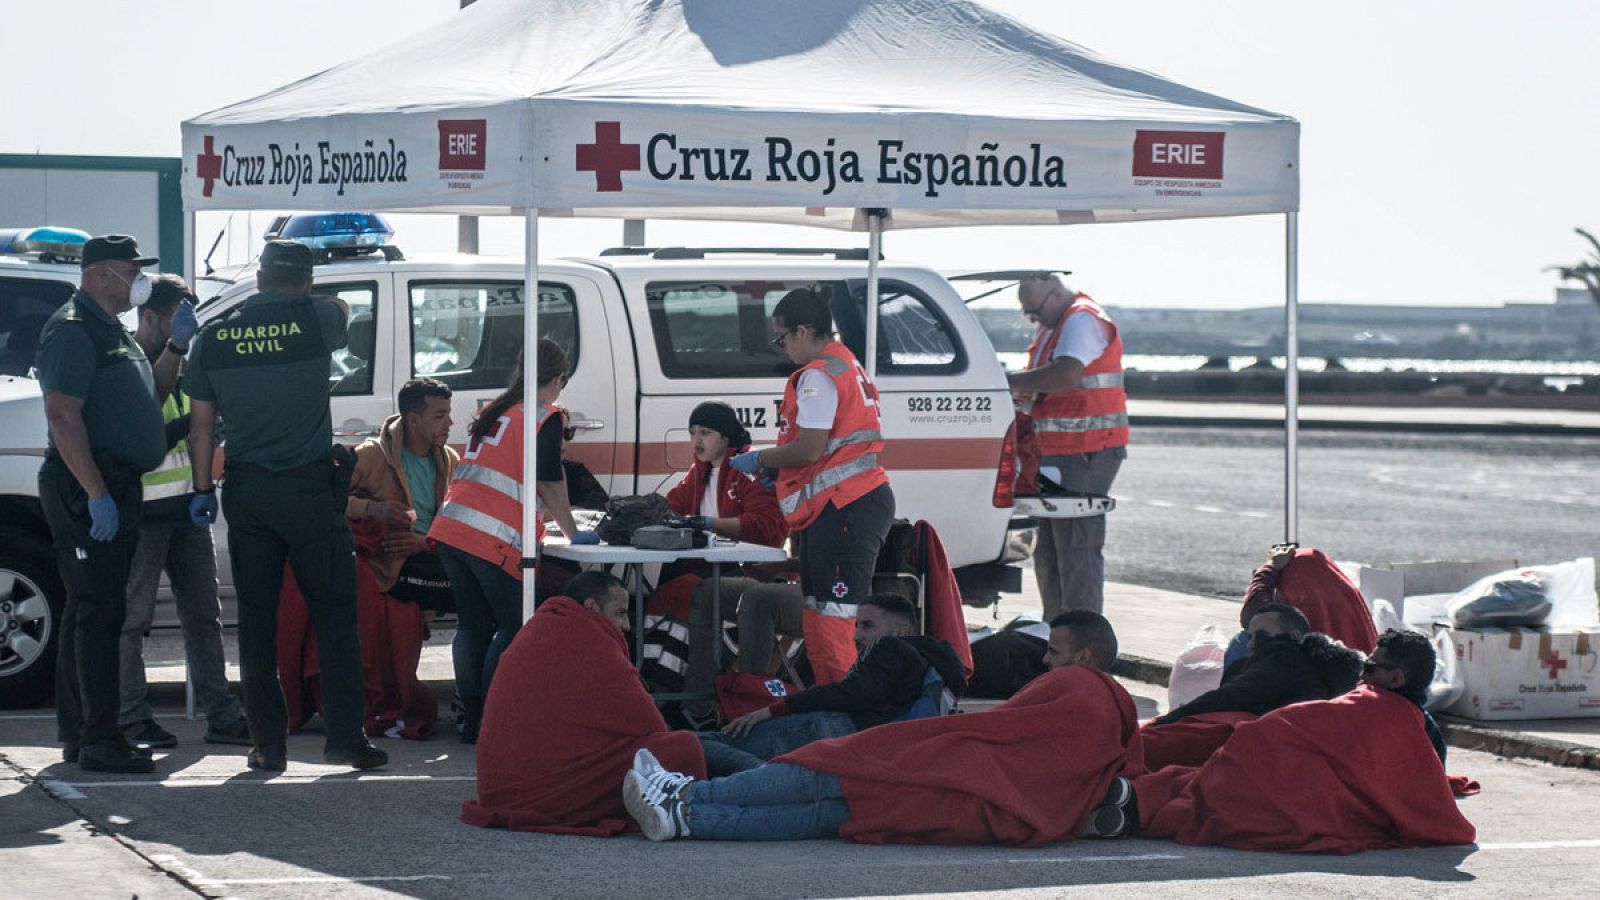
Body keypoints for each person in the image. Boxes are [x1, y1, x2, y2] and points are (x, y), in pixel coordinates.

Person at [183, 239, 386, 773]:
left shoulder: (212, 338)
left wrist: (204, 489)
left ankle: (267, 745)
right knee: (336, 616)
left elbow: (201, 427)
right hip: (309, 492)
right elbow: (344, 310)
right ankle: (345, 739)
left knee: (256, 622)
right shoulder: (317, 319)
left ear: (260, 277)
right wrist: (307, 298)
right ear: (305, 281)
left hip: (247, 493)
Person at [623, 657, 1141, 845]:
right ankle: (689, 818)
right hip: (963, 809)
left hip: (946, 771)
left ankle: (688, 798)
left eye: (1053, 651)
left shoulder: (1080, 688)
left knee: (815, 772)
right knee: (820, 815)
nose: (1044, 661)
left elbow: (1006, 728)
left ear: (1085, 656)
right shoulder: (1106, 740)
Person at [35, 235, 167, 773]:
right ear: (101, 273)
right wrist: (95, 494)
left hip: (113, 482)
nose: (138, 279)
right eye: (130, 269)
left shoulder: (111, 328)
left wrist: (173, 348)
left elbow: (142, 397)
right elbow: (63, 416)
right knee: (99, 615)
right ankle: (100, 740)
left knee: (86, 613)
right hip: (87, 486)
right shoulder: (72, 329)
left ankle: (80, 731)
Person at [429, 339, 597, 743]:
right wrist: (575, 534)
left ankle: (470, 718)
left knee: (471, 626)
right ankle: (493, 718)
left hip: (454, 529)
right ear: (558, 378)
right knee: (512, 626)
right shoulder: (544, 416)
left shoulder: (495, 409)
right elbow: (550, 483)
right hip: (494, 538)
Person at [731, 288, 895, 684]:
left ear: (803, 331)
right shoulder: (845, 364)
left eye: (781, 337)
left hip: (845, 508)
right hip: (845, 505)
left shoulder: (819, 375)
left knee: (833, 620)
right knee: (819, 614)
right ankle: (830, 705)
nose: (781, 347)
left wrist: (762, 459)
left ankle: (842, 720)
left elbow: (809, 448)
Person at [462, 571, 708, 836]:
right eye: (620, 613)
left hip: (500, 787)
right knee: (685, 746)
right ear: (591, 607)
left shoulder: (537, 628)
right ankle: (731, 791)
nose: (626, 625)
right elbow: (654, 727)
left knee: (707, 744)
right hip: (544, 792)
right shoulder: (592, 642)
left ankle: (749, 772)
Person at [118, 275, 250, 750]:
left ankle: (222, 713)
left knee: (203, 618)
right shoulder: (130, 360)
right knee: (132, 621)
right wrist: (194, 425)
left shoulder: (185, 360)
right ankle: (131, 717)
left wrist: (209, 448)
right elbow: (143, 421)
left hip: (186, 511)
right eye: (178, 318)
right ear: (150, 315)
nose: (186, 330)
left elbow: (202, 426)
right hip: (144, 513)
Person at [699, 594, 967, 775]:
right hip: (855, 738)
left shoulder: (891, 647)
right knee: (712, 745)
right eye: (856, 625)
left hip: (835, 727)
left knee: (703, 743)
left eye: (867, 626)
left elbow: (855, 694)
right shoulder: (932, 660)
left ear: (901, 631)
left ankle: (765, 778)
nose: (857, 635)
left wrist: (776, 709)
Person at [1005, 272, 1127, 618]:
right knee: (1050, 552)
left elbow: (1065, 375)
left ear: (1055, 293)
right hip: (1059, 453)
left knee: (1076, 547)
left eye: (1034, 310)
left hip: (1086, 451)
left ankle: (1081, 634)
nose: (1032, 319)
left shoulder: (1081, 320)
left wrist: (1006, 382)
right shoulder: (1056, 324)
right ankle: (1058, 630)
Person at [659, 400, 788, 707]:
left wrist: (710, 524)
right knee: (663, 594)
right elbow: (669, 506)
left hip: (748, 571)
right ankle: (662, 683)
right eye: (692, 433)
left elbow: (768, 528)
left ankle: (690, 698)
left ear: (726, 438)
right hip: (706, 569)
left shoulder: (749, 469)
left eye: (705, 432)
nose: (697, 441)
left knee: (689, 593)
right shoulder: (699, 472)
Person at [345, 377, 459, 609]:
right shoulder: (370, 456)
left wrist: (427, 543)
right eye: (439, 416)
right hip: (392, 565)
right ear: (413, 420)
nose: (450, 422)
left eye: (448, 414)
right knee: (468, 591)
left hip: (435, 554)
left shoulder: (449, 460)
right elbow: (324, 500)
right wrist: (371, 508)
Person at [1152, 604, 1364, 726]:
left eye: (1259, 636)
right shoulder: (1318, 666)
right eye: (1250, 636)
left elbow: (1232, 695)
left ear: (1293, 635)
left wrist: (1168, 721)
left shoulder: (1283, 659)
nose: (1251, 644)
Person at [1224, 543, 1379, 668]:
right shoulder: (1348, 604)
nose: (1276, 596)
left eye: (1279, 588)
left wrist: (1269, 568)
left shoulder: (1295, 646)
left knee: (1244, 640)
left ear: (1293, 591)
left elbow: (1253, 615)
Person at [1361, 628, 1447, 764]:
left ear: (1396, 678)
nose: (1362, 675)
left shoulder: (1362, 716)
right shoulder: (1428, 732)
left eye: (1369, 667)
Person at [1043, 609, 1120, 672]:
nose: (1045, 659)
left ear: (1083, 658)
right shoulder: (1113, 690)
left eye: (1053, 652)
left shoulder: (1052, 687)